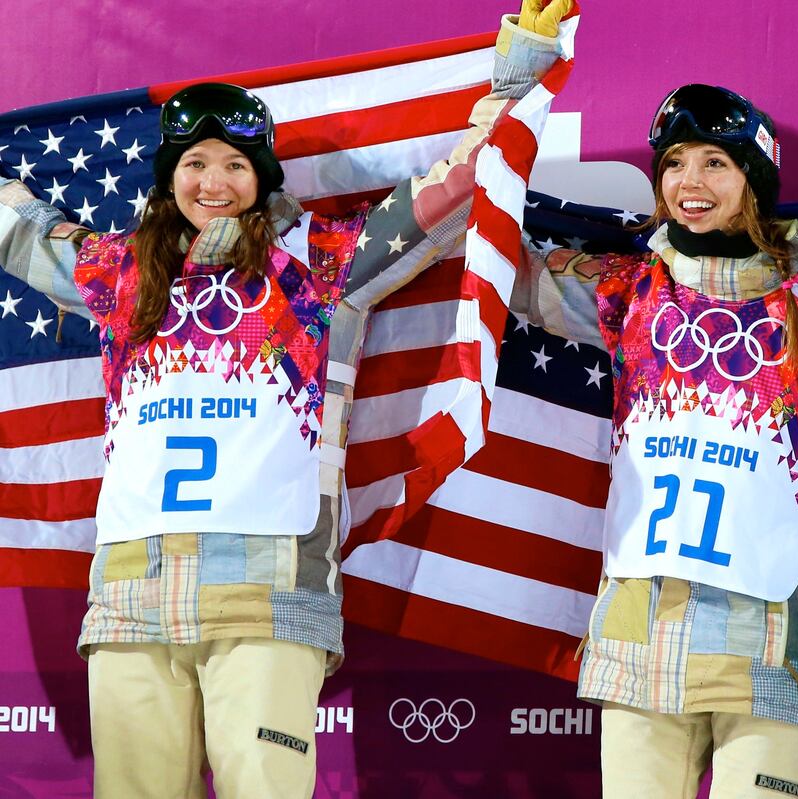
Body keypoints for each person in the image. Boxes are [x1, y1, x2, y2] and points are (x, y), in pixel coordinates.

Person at [0, 2, 572, 796]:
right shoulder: (117, 270)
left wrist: (511, 89)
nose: (215, 181)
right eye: (196, 162)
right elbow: (20, 230)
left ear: (263, 177)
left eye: (236, 164)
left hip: (268, 600)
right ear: (170, 175)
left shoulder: (322, 264)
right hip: (132, 602)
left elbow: (449, 196)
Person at [513, 84, 798, 798]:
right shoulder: (627, 292)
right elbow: (489, 253)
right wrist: (516, 95)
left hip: (772, 644)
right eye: (674, 164)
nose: (690, 184)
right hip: (642, 637)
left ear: (755, 182)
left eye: (715, 164)